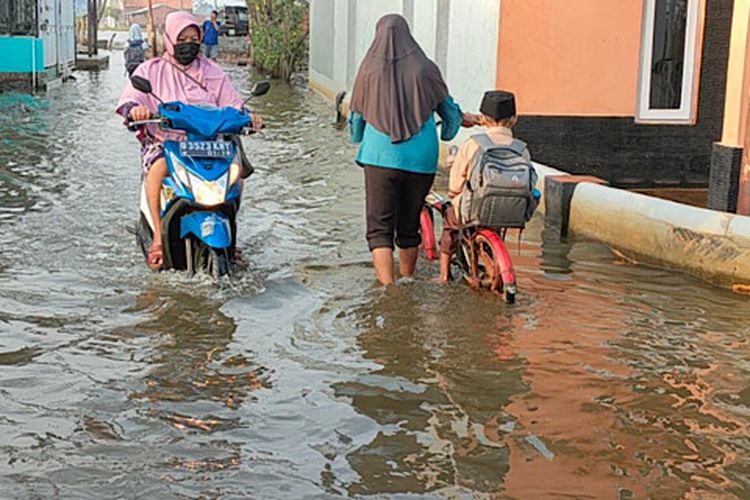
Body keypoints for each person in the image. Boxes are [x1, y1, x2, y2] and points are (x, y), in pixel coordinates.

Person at [115, 11, 263, 270]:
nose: (188, 44)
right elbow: (132, 99)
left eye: (194, 38)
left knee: (236, 174)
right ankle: (158, 241)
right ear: (170, 39)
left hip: (211, 147)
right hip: (167, 144)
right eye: (182, 38)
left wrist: (249, 117)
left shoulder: (212, 72)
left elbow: (233, 103)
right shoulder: (151, 70)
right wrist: (135, 110)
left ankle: (232, 238)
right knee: (157, 170)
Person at [349, 14, 478, 286]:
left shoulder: (368, 69)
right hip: (421, 160)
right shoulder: (425, 68)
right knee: (409, 226)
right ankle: (407, 279)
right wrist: (448, 130)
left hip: (379, 157)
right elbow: (450, 115)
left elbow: (356, 117)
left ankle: (388, 290)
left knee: (379, 229)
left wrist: (358, 136)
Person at [438, 90, 529, 282]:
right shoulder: (521, 148)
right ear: (514, 119)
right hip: (509, 210)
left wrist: (454, 196)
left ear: (484, 119)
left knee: (450, 225)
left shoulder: (473, 144)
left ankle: (444, 274)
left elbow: (456, 182)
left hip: (473, 209)